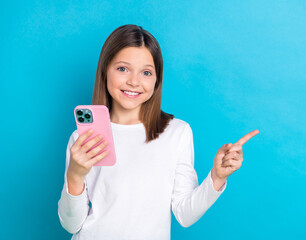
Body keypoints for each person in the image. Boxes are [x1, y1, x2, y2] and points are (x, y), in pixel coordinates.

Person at [57, 24, 259, 240]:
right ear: (105, 70)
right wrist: (75, 175)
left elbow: (185, 214)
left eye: (146, 72)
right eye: (123, 68)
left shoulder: (177, 133)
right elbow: (71, 225)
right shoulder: (82, 139)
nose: (134, 81)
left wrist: (217, 178)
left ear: (157, 80)